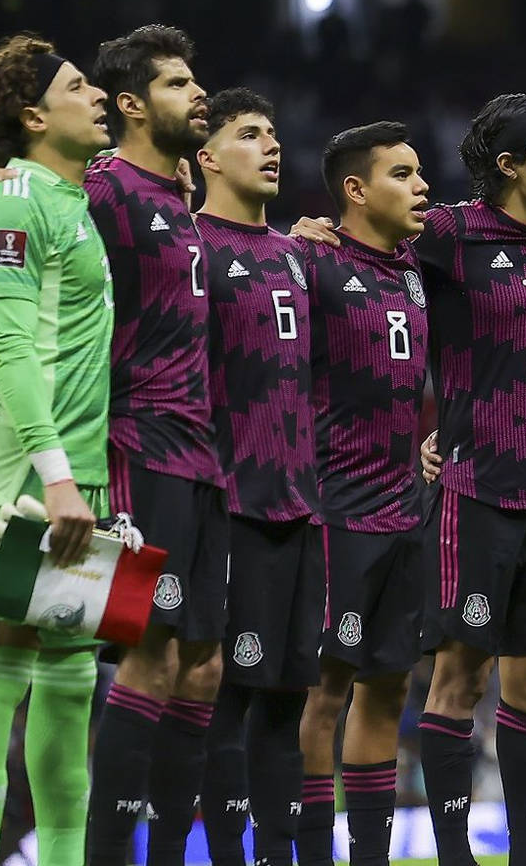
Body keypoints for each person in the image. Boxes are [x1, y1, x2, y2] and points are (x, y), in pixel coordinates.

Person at [289, 94, 526, 866]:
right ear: (511, 164)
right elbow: (333, 255)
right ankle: (448, 852)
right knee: (441, 674)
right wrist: (300, 234)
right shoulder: (445, 238)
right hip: (465, 489)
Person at [0, 34, 113, 866]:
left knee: (71, 677)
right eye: (80, 86)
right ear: (34, 115)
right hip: (24, 471)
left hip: (80, 476)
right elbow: (9, 354)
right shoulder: (14, 201)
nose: (99, 96)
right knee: (3, 668)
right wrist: (55, 480)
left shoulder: (76, 201)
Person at [81, 24, 228, 866]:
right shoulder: (106, 188)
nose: (196, 93)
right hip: (139, 440)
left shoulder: (175, 196)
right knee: (147, 658)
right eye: (177, 83)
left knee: (200, 668)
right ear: (130, 104)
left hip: (203, 450)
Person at [294, 123, 433, 866]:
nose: (422, 187)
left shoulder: (416, 265)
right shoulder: (310, 261)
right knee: (324, 693)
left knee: (387, 692)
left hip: (406, 509)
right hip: (334, 510)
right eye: (403, 175)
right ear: (355, 189)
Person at [194, 88, 321, 866]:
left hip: (298, 505)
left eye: (274, 134)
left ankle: (281, 855)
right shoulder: (190, 246)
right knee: (225, 700)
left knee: (286, 701)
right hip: (228, 501)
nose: (270, 145)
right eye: (249, 134)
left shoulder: (299, 255)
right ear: (205, 156)